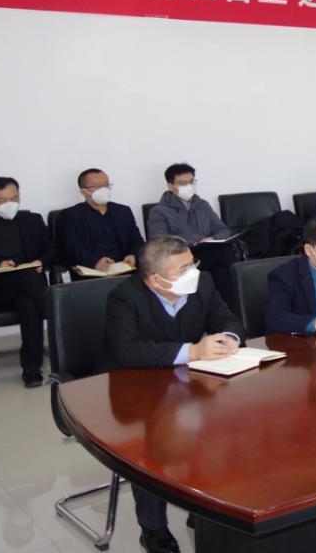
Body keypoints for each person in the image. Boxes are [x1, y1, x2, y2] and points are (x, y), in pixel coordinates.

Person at [105, 235, 244, 553]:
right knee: (148, 448)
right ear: (156, 279)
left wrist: (230, 338)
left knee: (217, 429)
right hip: (136, 387)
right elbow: (128, 350)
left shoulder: (203, 282)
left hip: (188, 382)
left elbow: (227, 319)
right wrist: (193, 351)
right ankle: (154, 529)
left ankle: (203, 507)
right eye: (183, 269)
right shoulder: (123, 297)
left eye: (192, 263)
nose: (193, 271)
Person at [0, 177, 51, 387]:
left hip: (27, 290)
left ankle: (32, 369)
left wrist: (41, 261)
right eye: (2, 200)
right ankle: (54, 310)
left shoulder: (32, 220)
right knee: (28, 277)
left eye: (14, 198)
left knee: (28, 305)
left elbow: (51, 248)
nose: (10, 203)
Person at [147, 163, 238, 304]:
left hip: (210, 250)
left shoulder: (203, 205)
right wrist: (195, 240)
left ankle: (230, 308)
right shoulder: (159, 211)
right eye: (183, 183)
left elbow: (223, 229)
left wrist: (212, 238)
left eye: (191, 182)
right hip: (183, 256)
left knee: (224, 265)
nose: (188, 186)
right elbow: (159, 241)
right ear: (171, 186)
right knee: (224, 258)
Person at [58, 168, 144, 274]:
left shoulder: (123, 211)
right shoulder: (70, 215)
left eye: (106, 185)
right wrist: (94, 263)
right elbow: (71, 247)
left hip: (124, 267)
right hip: (90, 270)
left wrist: (133, 255)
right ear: (83, 191)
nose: (104, 189)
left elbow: (136, 239)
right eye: (97, 186)